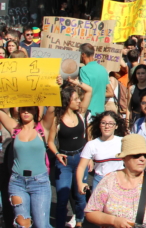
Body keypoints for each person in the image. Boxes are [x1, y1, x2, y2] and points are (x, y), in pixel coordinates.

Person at [84, 134, 146, 228]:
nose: (142, 159)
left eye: (145, 155)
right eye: (136, 155)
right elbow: (91, 212)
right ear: (124, 157)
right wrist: (114, 221)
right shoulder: (109, 180)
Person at [0, 106, 52, 228]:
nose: (26, 112)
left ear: (36, 111)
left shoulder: (43, 127)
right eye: (23, 109)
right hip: (17, 183)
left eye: (30, 109)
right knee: (22, 224)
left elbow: (52, 109)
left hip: (39, 183)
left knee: (41, 225)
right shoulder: (15, 128)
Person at [47, 85, 91, 228]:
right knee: (62, 197)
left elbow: (89, 91)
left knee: (80, 195)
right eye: (75, 99)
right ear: (67, 101)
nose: (79, 101)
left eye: (79, 99)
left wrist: (74, 82)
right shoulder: (57, 120)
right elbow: (50, 142)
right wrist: (57, 154)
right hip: (64, 161)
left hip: (80, 158)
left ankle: (79, 222)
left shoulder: (81, 113)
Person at [76, 111, 126, 194]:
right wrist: (80, 183)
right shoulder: (91, 144)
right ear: (99, 125)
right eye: (103, 123)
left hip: (119, 180)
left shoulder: (123, 141)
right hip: (100, 181)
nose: (107, 126)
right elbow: (81, 167)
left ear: (116, 126)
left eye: (110, 123)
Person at [79, 43, 109, 116]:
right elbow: (110, 92)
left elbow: (85, 91)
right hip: (101, 112)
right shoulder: (103, 69)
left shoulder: (84, 70)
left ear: (83, 54)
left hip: (88, 111)